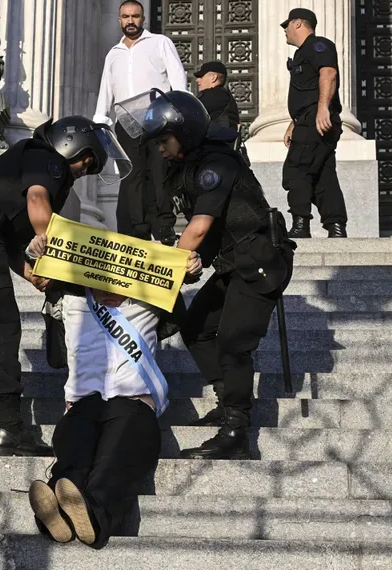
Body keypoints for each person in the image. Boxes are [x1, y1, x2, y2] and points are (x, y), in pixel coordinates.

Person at [0, 115, 132, 457]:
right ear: (71, 145)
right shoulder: (48, 159)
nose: (83, 171)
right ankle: (11, 430)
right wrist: (59, 250)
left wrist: (31, 273)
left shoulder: (22, 161)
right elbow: (37, 203)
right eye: (86, 162)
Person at [116, 89, 294, 459]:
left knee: (233, 340)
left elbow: (197, 229)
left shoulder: (217, 164)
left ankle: (236, 431)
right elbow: (202, 237)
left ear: (185, 132)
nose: (160, 149)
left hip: (260, 261)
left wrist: (161, 276)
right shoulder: (185, 169)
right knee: (196, 326)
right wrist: (191, 263)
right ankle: (225, 400)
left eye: (164, 140)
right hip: (232, 262)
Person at [26, 287, 169, 548]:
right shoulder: (71, 302)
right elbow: (40, 273)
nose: (109, 288)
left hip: (133, 404)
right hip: (82, 405)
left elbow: (176, 281)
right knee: (73, 458)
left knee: (113, 460)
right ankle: (59, 510)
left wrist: (191, 269)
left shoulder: (149, 302)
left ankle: (91, 516)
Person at [94, 0, 187, 244]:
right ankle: (138, 228)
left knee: (160, 172)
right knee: (132, 176)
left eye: (135, 16)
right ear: (119, 20)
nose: (130, 21)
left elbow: (178, 78)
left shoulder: (160, 42)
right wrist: (100, 122)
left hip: (157, 119)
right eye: (125, 17)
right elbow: (106, 90)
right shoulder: (113, 54)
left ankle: (164, 226)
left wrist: (180, 113)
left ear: (143, 19)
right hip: (126, 123)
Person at [280, 8, 349, 239]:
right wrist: (294, 123)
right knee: (323, 175)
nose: (285, 30)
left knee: (296, 170)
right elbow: (306, 91)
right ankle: (336, 226)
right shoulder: (302, 53)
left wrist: (322, 109)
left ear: (298, 23)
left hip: (316, 119)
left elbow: (328, 74)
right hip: (309, 119)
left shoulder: (318, 45)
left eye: (287, 25)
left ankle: (301, 225)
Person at [195, 61, 239, 131]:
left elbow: (192, 109)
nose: (197, 80)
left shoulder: (215, 95)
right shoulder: (223, 94)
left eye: (201, 76)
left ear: (214, 78)